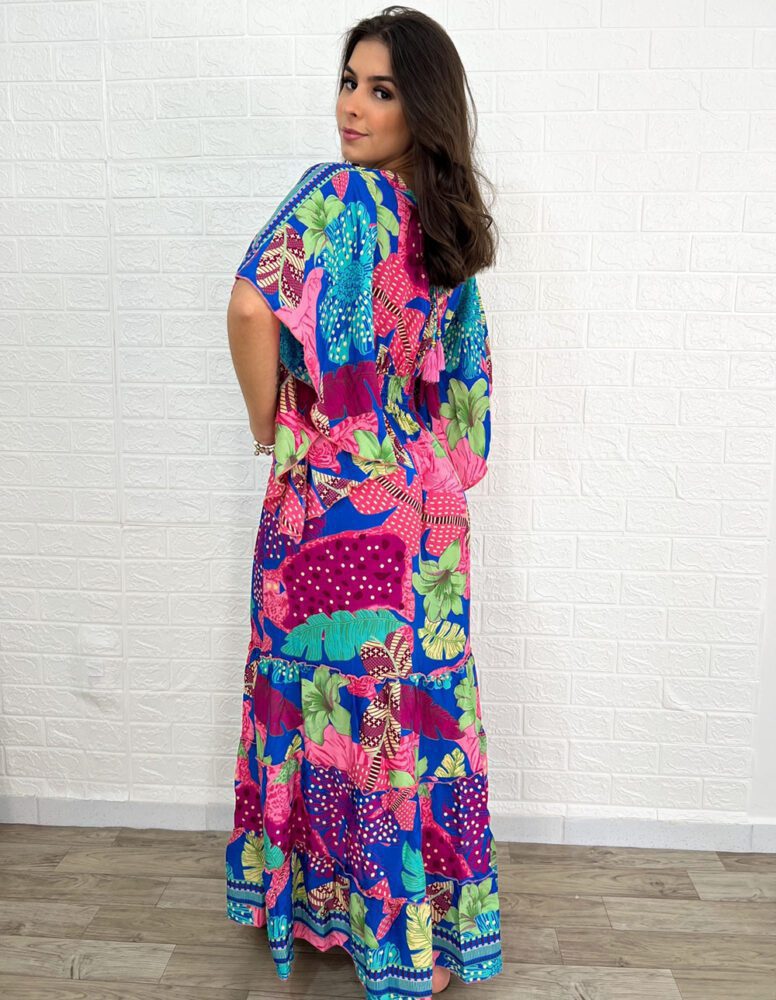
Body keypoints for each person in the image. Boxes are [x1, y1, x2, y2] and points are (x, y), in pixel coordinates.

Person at [224, 6, 501, 998]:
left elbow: (250, 305)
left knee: (327, 706)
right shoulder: (444, 229)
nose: (352, 105)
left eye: (380, 90)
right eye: (349, 81)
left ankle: (340, 921)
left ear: (419, 107)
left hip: (329, 497)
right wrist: (417, 465)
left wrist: (274, 426)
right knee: (412, 714)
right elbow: (463, 406)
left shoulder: (335, 193)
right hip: (423, 511)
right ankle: (424, 935)